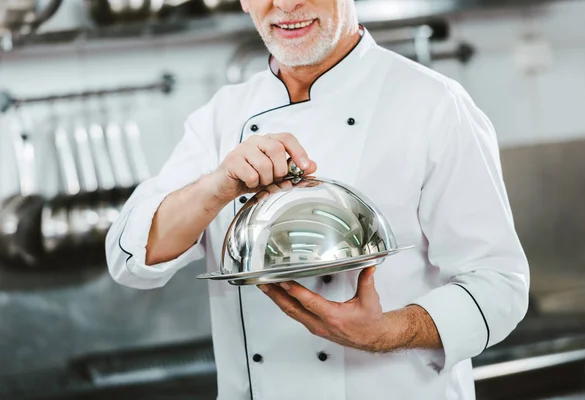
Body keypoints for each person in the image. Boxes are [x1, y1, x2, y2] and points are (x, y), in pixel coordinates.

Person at [105, 0, 530, 397]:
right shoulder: (221, 117)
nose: (287, 6)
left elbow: (499, 286)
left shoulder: (434, 105)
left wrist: (388, 332)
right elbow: (129, 260)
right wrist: (217, 186)